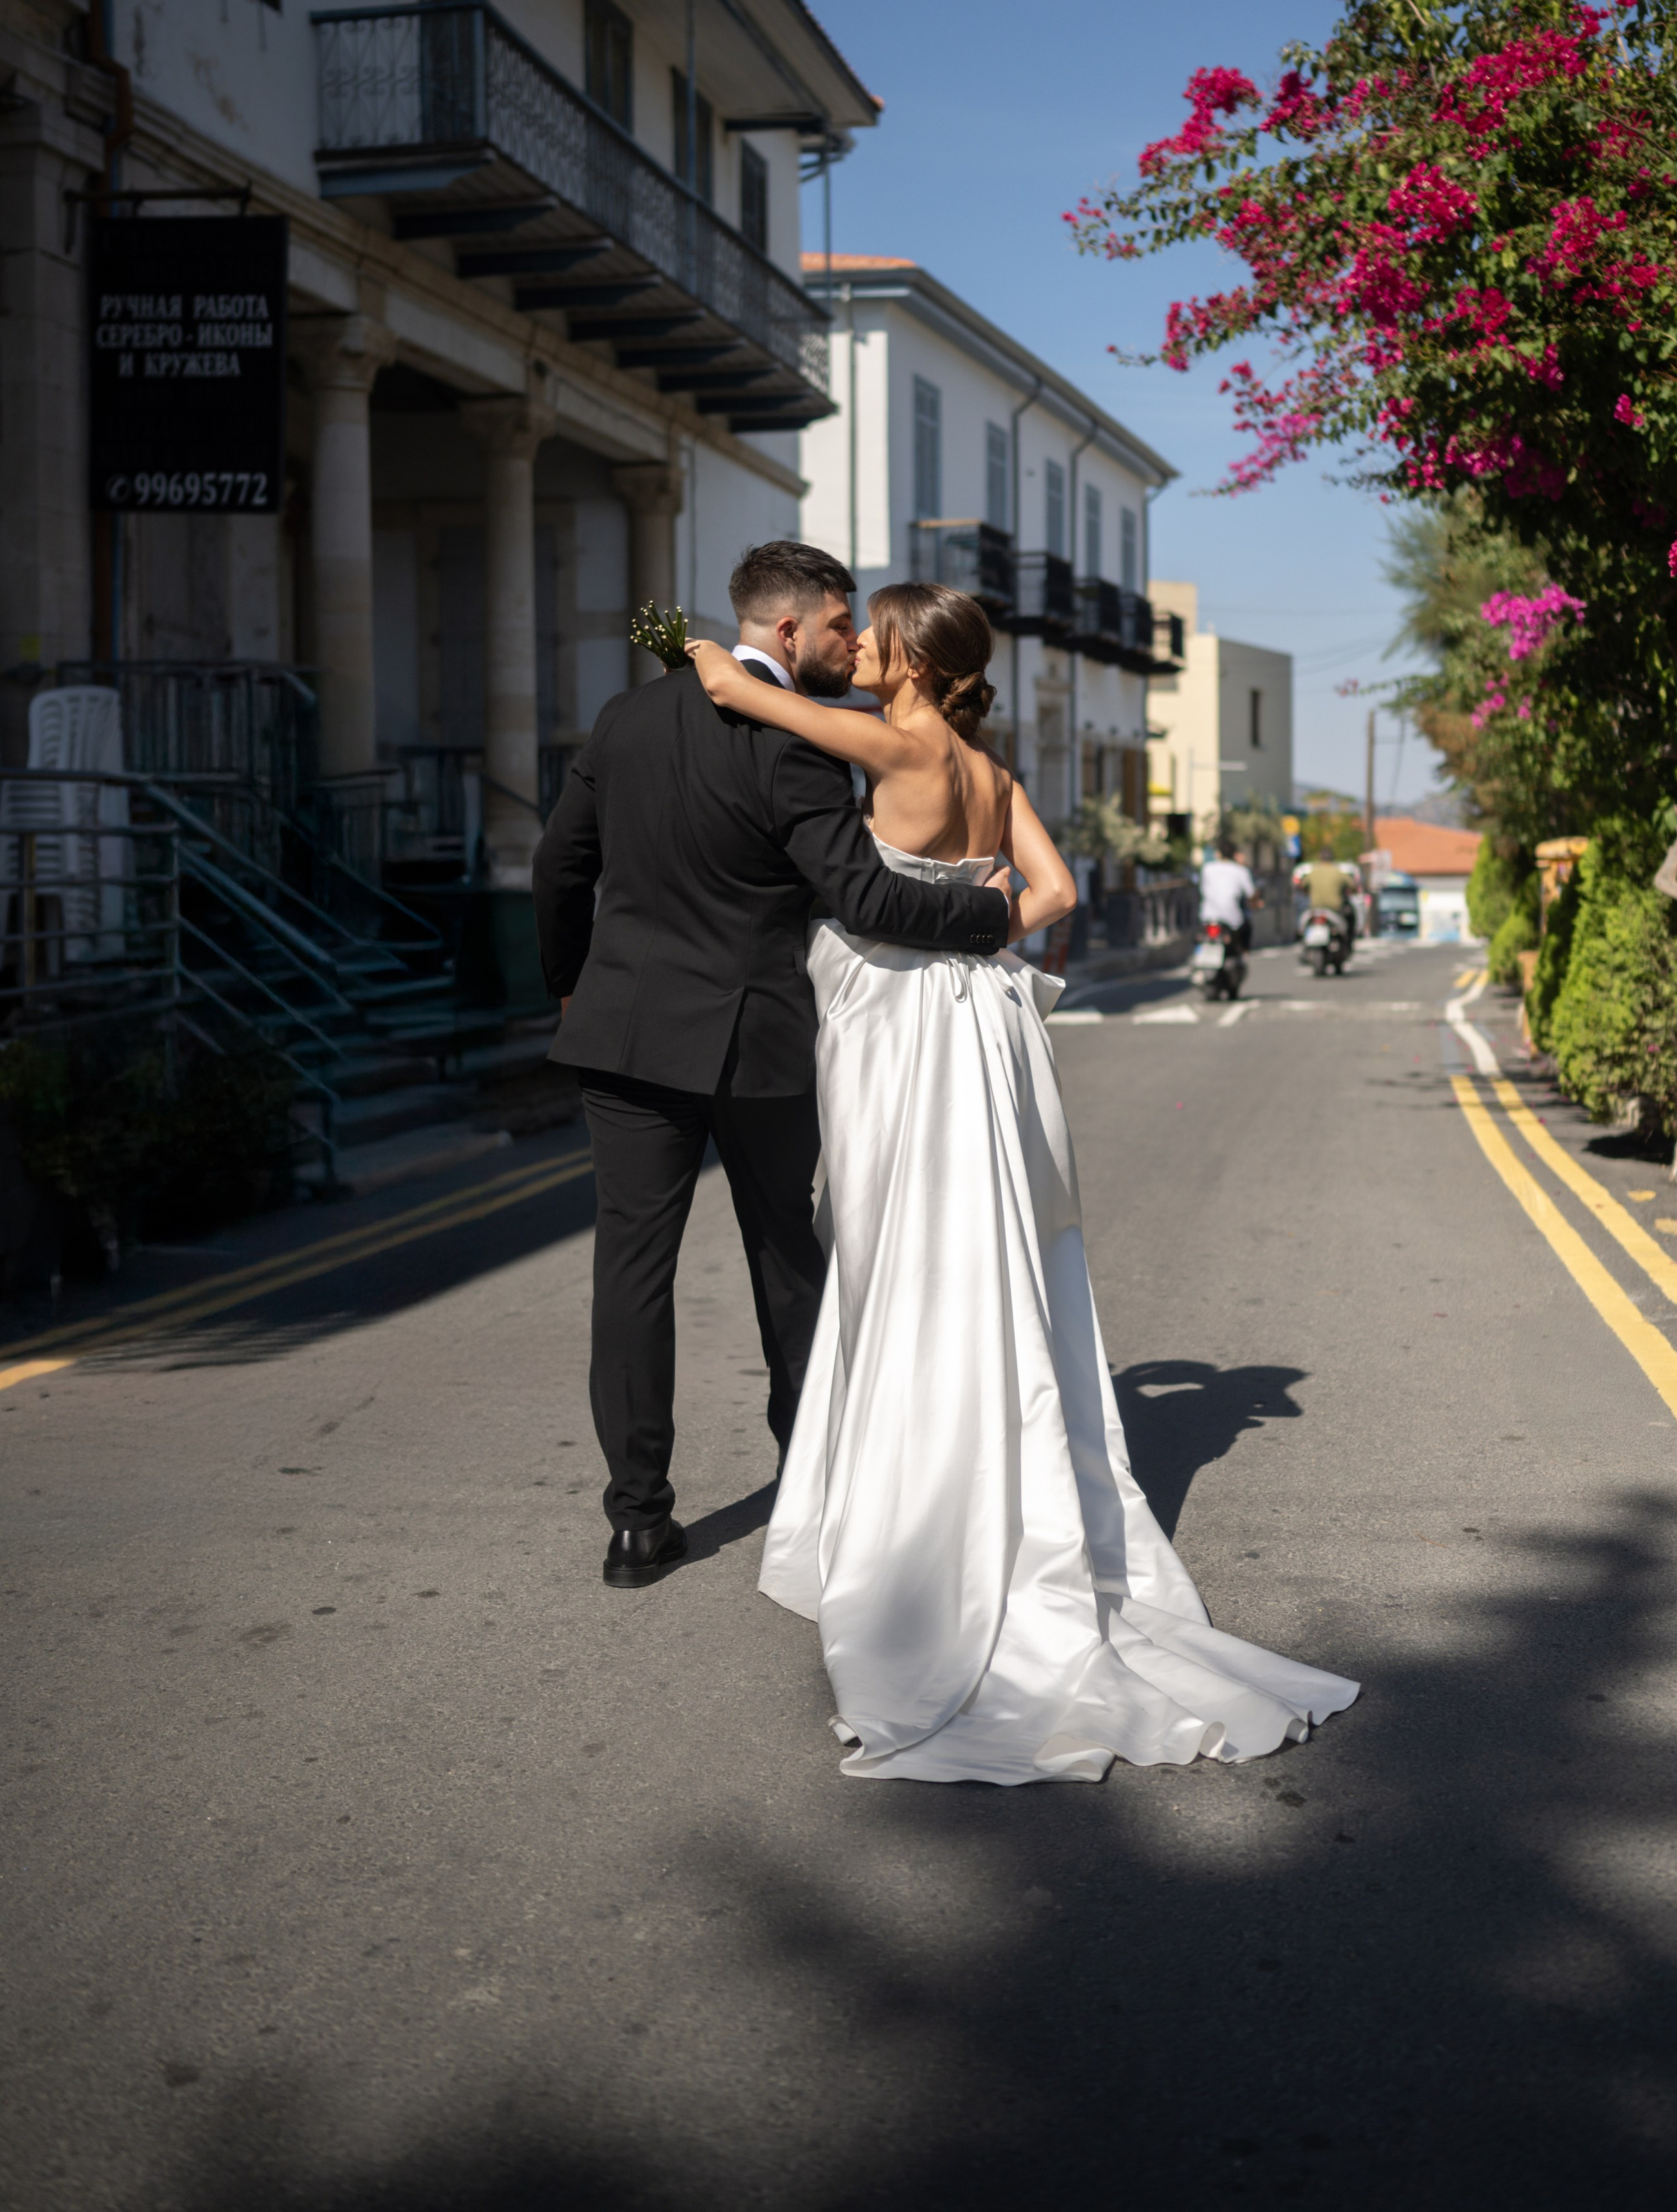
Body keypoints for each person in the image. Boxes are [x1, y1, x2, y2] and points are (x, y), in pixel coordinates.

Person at [688, 582, 1358, 1783]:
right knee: (996, 1254)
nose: (861, 648)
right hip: (992, 1027)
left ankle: (913, 1512)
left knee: (901, 1256)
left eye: (875, 633)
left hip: (902, 1019)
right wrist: (976, 903)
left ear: (910, 659)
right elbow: (1045, 898)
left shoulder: (898, 739)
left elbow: (741, 689)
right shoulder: (992, 776)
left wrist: (680, 640)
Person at [532, 541, 1011, 1591]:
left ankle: (637, 1524)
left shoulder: (624, 718)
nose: (857, 642)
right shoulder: (798, 747)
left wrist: (570, 979)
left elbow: (560, 866)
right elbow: (867, 899)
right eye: (845, 623)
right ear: (789, 631)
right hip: (754, 1042)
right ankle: (810, 1490)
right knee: (791, 1270)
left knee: (630, 1275)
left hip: (623, 1035)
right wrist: (995, 912)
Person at [1198, 834, 1258, 965]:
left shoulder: (1207, 869)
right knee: (1246, 928)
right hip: (1232, 919)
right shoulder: (1240, 871)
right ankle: (1244, 955)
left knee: (1200, 937)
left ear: (1218, 854)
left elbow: (1202, 890)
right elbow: (1251, 894)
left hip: (1208, 916)